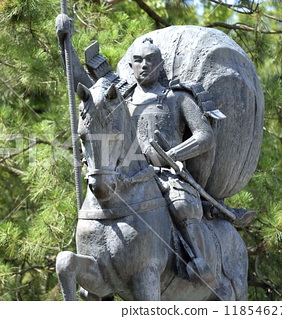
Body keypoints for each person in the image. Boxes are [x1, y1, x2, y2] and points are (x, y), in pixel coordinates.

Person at [56, 15, 216, 285]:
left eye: (150, 60)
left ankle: (198, 261)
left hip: (165, 173)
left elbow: (205, 136)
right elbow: (79, 81)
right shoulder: (120, 98)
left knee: (181, 204)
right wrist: (64, 42)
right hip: (125, 173)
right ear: (130, 65)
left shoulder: (177, 97)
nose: (144, 65)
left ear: (160, 64)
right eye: (138, 60)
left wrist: (172, 155)